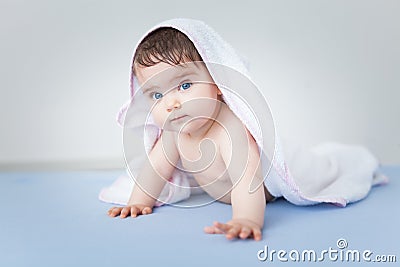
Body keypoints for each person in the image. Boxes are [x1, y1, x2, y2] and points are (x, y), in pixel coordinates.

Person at [104, 19, 384, 241]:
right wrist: (139, 202)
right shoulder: (174, 134)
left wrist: (247, 219)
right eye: (156, 95)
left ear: (216, 82)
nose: (171, 104)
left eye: (185, 85)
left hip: (272, 187)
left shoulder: (230, 129)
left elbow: (246, 181)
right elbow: (155, 171)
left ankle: (349, 162)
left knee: (327, 167)